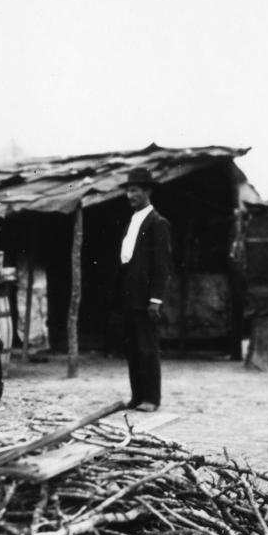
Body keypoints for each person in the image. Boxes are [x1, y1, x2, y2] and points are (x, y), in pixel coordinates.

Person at [114, 170, 173, 412]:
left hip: (146, 299)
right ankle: (137, 396)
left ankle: (151, 398)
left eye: (135, 190)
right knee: (132, 348)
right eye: (128, 190)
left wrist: (155, 300)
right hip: (130, 297)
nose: (130, 195)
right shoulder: (133, 221)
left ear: (147, 191)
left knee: (148, 348)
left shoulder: (158, 223)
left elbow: (162, 266)